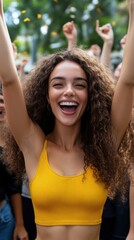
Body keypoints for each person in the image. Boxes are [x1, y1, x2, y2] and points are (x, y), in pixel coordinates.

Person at [0, 0, 134, 240]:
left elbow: (127, 81)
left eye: (80, 85)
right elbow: (9, 80)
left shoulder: (104, 145)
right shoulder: (33, 145)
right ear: (46, 95)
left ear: (91, 96)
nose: (69, 91)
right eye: (58, 84)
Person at [0, 85, 28, 240]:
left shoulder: (15, 142)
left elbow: (13, 186)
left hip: (4, 219)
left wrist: (20, 224)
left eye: (2, 100)